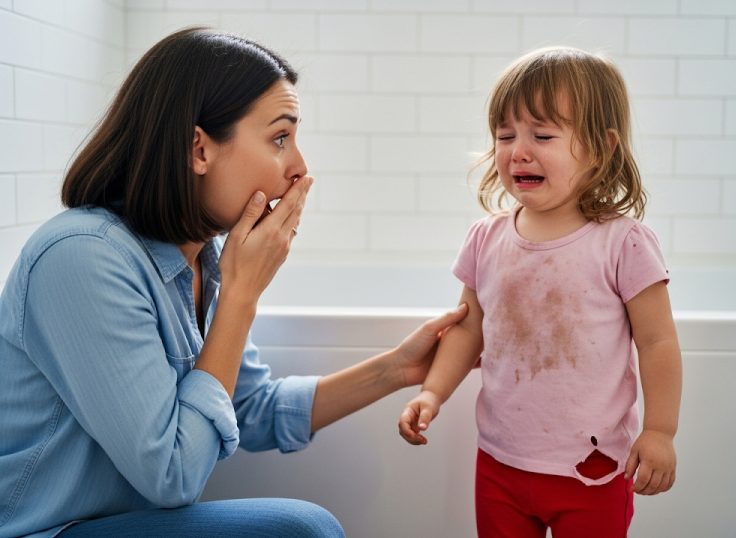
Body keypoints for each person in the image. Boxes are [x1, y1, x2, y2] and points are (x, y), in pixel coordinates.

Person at [0, 27, 468, 538]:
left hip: (126, 523)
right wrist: (242, 295)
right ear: (198, 149)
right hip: (45, 530)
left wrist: (397, 370)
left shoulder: (204, 257)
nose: (300, 166)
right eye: (279, 138)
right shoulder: (83, 258)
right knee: (303, 530)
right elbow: (172, 474)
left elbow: (250, 408)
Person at [398, 47, 683, 537]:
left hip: (589, 469)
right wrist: (433, 391)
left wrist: (659, 431)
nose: (517, 151)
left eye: (542, 135)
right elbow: (468, 329)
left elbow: (657, 342)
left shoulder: (621, 242)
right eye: (505, 135)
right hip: (501, 461)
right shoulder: (487, 238)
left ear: (602, 147)